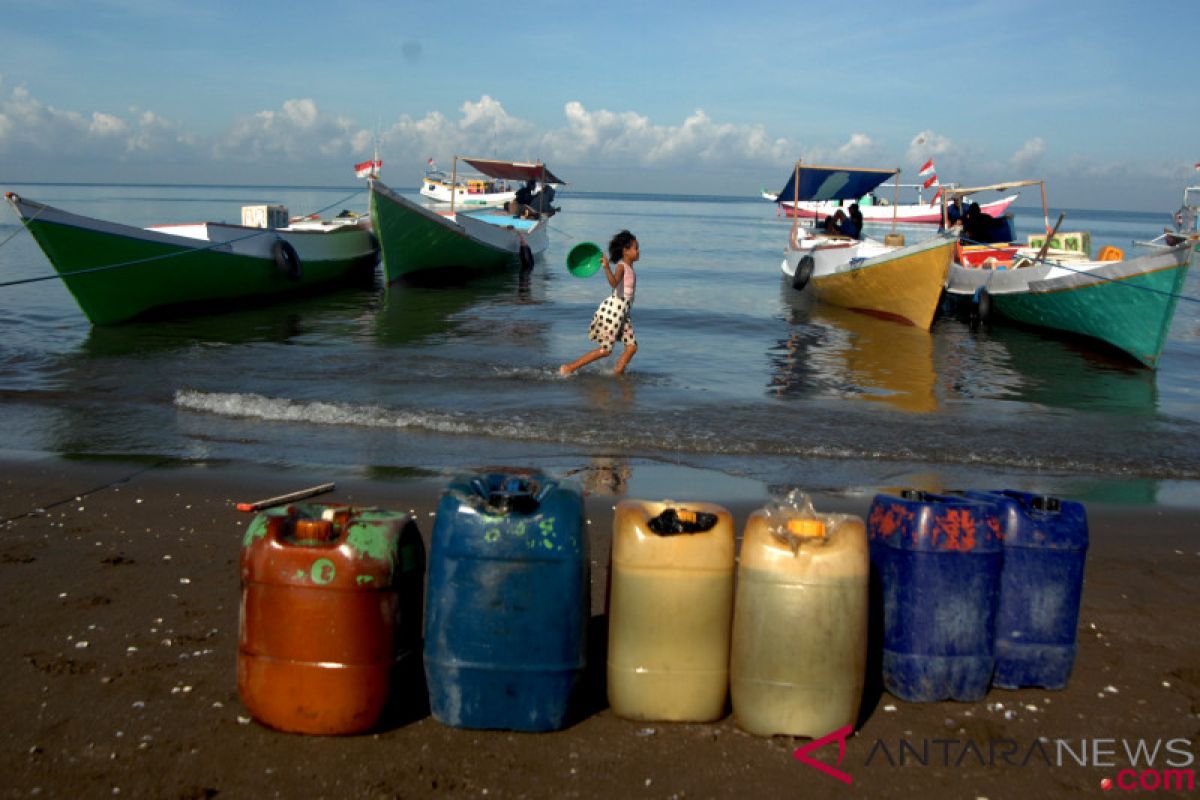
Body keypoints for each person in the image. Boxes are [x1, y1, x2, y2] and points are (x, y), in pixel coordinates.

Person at [559, 230, 640, 376]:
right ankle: (569, 368)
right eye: (635, 248)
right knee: (605, 350)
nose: (638, 251)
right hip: (614, 310)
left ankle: (617, 373)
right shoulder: (621, 266)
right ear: (625, 251)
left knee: (631, 347)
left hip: (623, 312)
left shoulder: (629, 267)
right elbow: (614, 283)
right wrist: (607, 268)